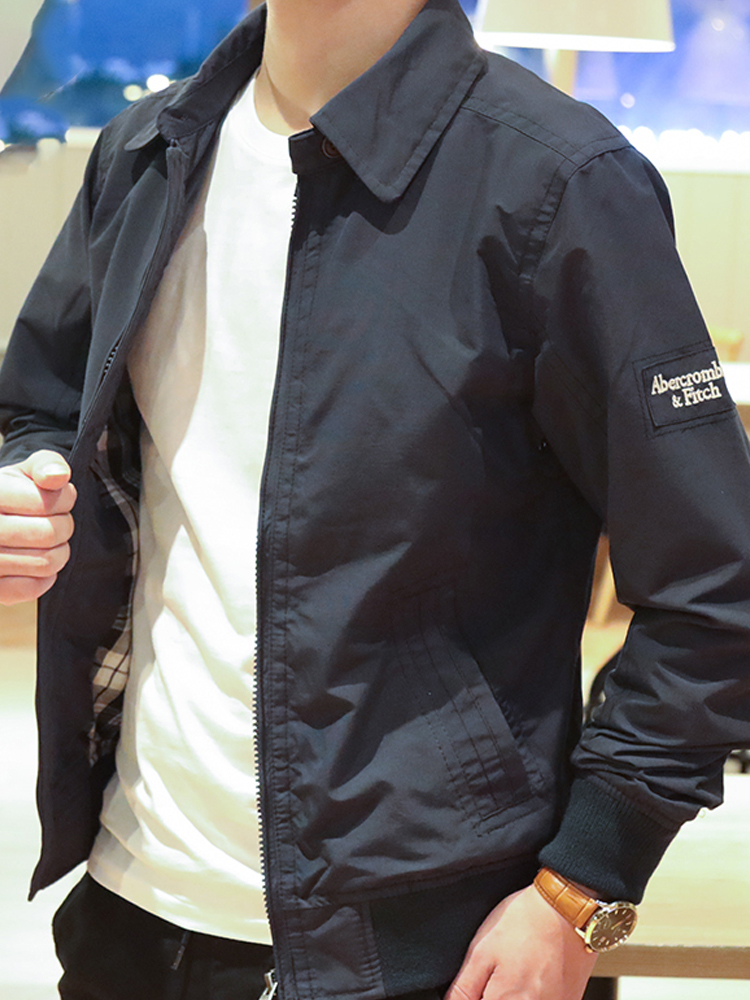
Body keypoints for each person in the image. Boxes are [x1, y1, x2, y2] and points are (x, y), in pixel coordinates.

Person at [2, 1, 750, 998]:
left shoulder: (557, 178)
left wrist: (585, 881)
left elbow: (717, 581)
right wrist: (28, 488)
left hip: (428, 943)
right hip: (131, 911)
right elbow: (39, 411)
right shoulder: (148, 149)